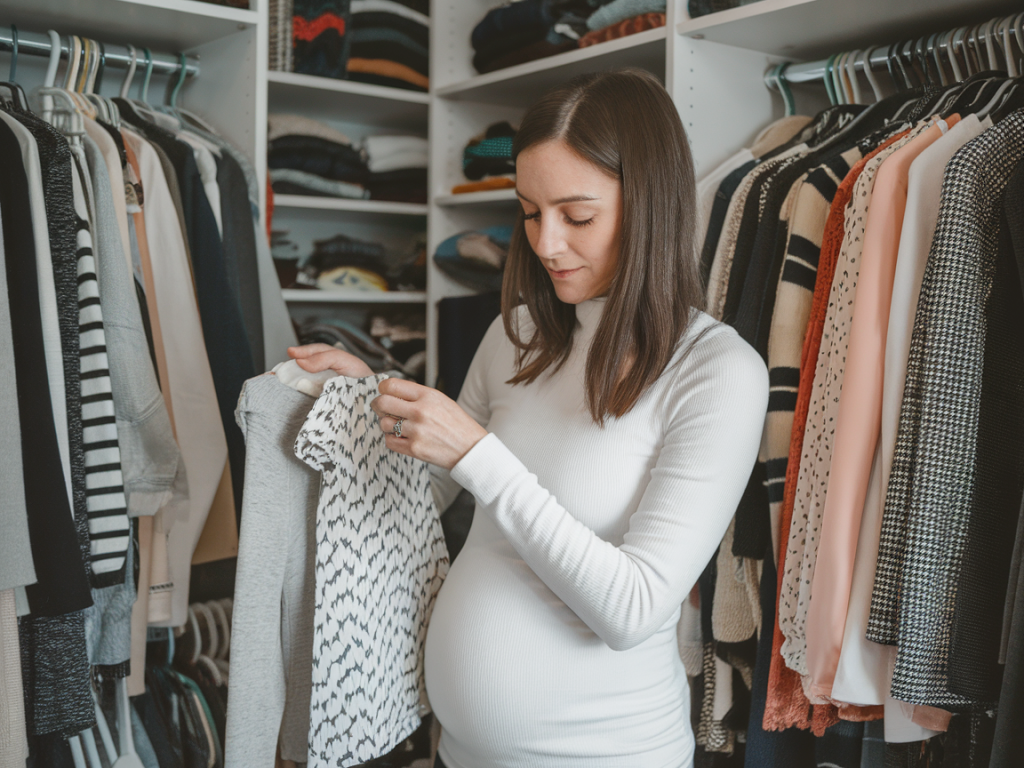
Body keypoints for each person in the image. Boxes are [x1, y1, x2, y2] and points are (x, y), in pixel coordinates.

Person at [287, 68, 768, 768]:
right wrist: (374, 401)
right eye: (530, 211)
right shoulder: (517, 332)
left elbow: (632, 611)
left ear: (651, 206)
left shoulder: (716, 371)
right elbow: (424, 502)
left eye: (577, 216)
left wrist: (481, 455)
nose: (545, 244)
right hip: (456, 751)